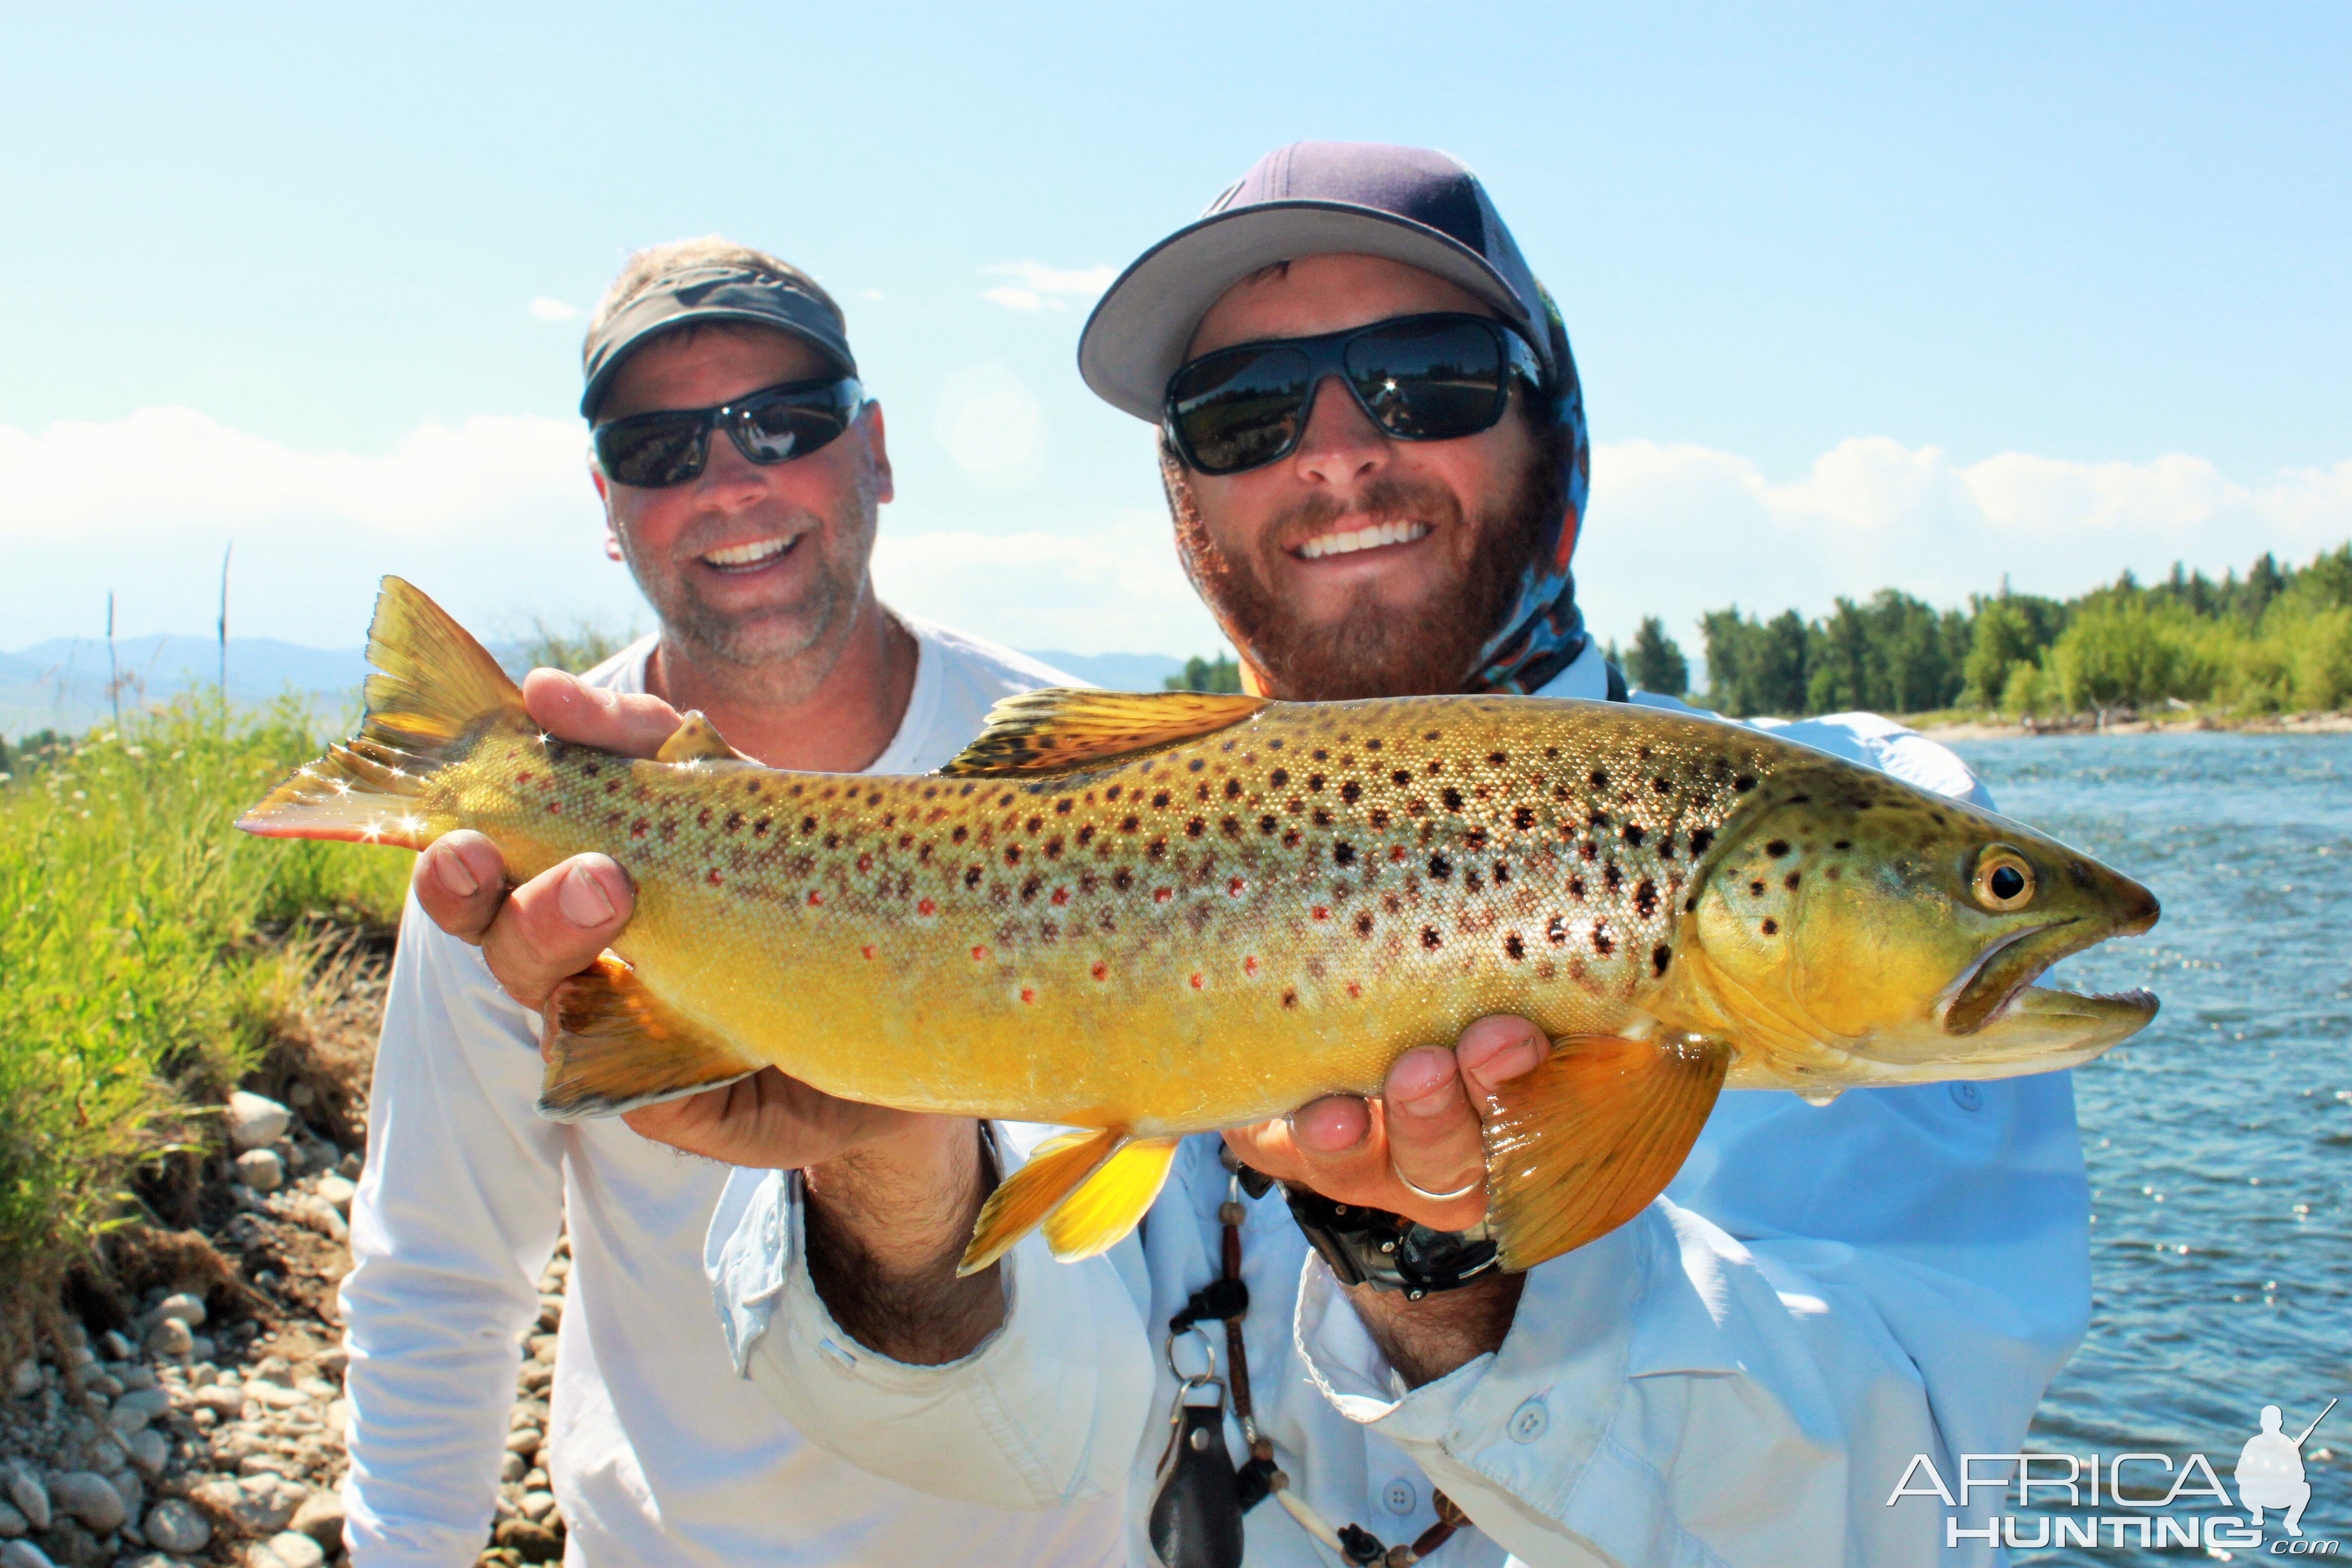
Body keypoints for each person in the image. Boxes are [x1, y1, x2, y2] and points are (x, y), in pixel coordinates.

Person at [439, 148, 2091, 1567]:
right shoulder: (1113, 850)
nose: (1337, 452)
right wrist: (885, 1173)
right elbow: (1014, 1461)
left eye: (1426, 378)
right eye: (1241, 414)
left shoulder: (1855, 799)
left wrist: (1458, 1284)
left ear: (1557, 425)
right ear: (1181, 502)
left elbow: (1901, 1504)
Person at [339, 237, 1123, 1567]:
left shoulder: (1091, 764)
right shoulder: (527, 835)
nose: (729, 480)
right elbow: (441, 1273)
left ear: (874, 450)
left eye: (784, 423)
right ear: (607, 501)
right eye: (662, 450)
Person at [2237, 1405, 2313, 1536]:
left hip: (2279, 1493)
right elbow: (2240, 1473)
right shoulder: (2254, 1443)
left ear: (2280, 1423)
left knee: (2305, 1488)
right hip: (2256, 1494)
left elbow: (2300, 1475)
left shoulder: (2288, 1444)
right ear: (2262, 1423)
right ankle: (2257, 1515)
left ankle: (2291, 1522)